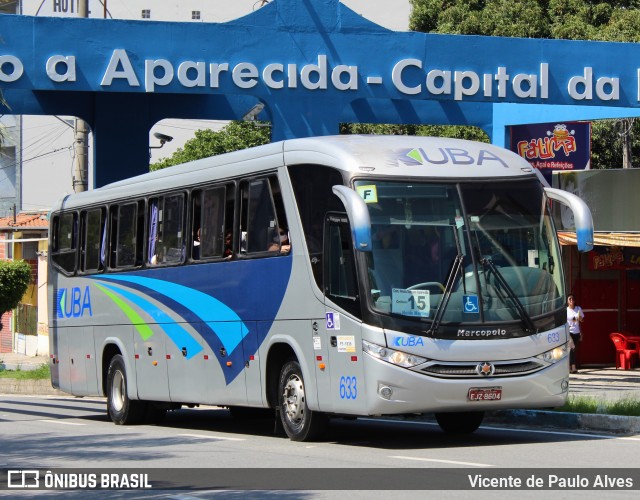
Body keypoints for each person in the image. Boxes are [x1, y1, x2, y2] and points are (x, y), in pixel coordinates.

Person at [567, 293, 584, 374]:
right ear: (567, 301)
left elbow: (582, 320)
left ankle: (570, 367)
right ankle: (573, 367)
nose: (571, 300)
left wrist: (580, 317)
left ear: (574, 300)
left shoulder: (578, 308)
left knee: (572, 350)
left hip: (576, 331)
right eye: (569, 299)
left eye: (572, 299)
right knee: (572, 348)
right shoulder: (566, 310)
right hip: (569, 331)